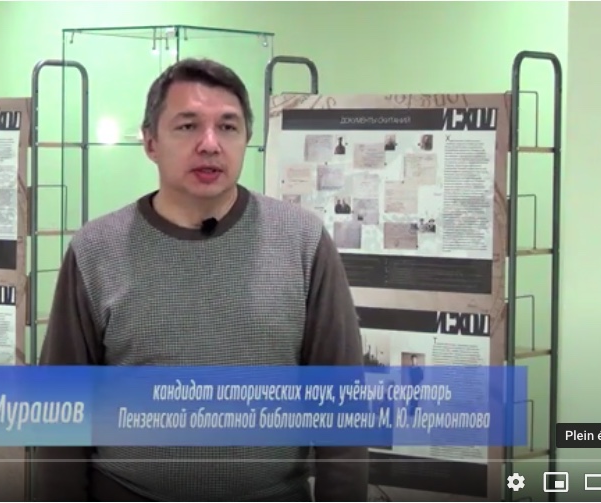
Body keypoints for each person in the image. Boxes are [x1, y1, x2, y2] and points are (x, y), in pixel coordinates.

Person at [36, 58, 368, 502]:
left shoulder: (302, 242)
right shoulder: (97, 249)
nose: (210, 144)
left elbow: (342, 405)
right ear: (150, 142)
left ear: (247, 139)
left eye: (228, 127)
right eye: (188, 126)